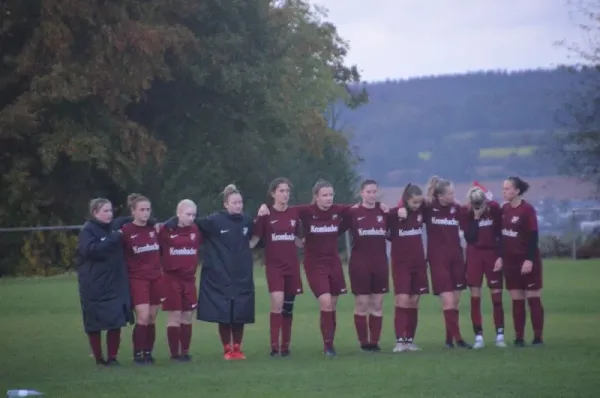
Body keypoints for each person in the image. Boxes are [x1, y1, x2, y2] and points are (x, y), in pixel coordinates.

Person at [258, 179, 389, 357]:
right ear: (316, 197)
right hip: (314, 264)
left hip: (334, 263)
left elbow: (363, 205)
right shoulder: (305, 211)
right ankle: (322, 347)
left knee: (332, 305)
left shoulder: (339, 210)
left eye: (331, 195)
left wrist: (380, 205)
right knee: (325, 302)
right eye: (324, 195)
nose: (329, 198)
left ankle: (330, 344)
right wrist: (264, 208)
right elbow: (282, 211)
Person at [166, 184, 255, 360]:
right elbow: (190, 222)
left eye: (240, 202)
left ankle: (237, 348)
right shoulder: (214, 220)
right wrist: (171, 222)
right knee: (224, 311)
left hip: (242, 274)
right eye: (234, 202)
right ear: (225, 204)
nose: (238, 206)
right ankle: (227, 348)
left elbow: (255, 234)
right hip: (220, 274)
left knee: (240, 311)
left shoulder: (246, 220)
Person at [399, 176, 470, 348]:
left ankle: (448, 340)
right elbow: (409, 201)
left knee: (455, 301)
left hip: (457, 258)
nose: (453, 195)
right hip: (438, 259)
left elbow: (471, 222)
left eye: (453, 192)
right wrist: (399, 209)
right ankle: (459, 339)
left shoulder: (456, 208)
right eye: (450, 193)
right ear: (440, 196)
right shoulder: (428, 207)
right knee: (448, 301)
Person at [250, 178, 304, 357]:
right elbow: (254, 240)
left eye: (287, 191)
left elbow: (298, 241)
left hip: (292, 267)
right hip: (274, 267)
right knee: (277, 303)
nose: (285, 194)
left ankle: (285, 347)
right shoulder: (266, 215)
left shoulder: (294, 214)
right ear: (273, 193)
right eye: (281, 191)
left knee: (288, 307)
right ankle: (274, 347)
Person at [77, 198, 133, 366]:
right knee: (94, 323)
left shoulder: (115, 226)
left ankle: (113, 358)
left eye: (110, 210)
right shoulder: (88, 231)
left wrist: (154, 222)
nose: (110, 214)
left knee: (116, 321)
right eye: (105, 211)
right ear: (95, 213)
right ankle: (99, 359)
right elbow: (91, 251)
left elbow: (135, 217)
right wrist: (113, 238)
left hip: (115, 283)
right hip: (94, 285)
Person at [499, 176, 544, 347]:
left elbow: (533, 236)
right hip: (511, 263)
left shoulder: (527, 210)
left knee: (533, 298)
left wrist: (530, 260)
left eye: (507, 188)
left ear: (517, 191)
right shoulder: (504, 210)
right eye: (503, 189)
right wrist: (501, 257)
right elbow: (501, 238)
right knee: (516, 299)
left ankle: (538, 337)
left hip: (527, 261)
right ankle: (519, 337)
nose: (504, 192)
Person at [345, 179, 389, 352]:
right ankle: (364, 343)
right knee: (362, 303)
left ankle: (375, 342)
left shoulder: (383, 211)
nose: (372, 195)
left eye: (374, 191)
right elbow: (334, 227)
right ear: (361, 193)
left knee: (377, 304)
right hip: (359, 264)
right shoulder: (353, 212)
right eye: (368, 192)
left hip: (380, 263)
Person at [119, 194, 163, 364]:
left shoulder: (155, 229)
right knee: (143, 317)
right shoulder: (126, 231)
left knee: (152, 317)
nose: (146, 213)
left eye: (148, 209)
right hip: (138, 278)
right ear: (133, 211)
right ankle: (137, 353)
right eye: (142, 210)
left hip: (156, 278)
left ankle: (148, 352)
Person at [462, 183, 506, 349]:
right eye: (475, 205)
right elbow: (470, 237)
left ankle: (500, 334)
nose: (478, 207)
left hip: (492, 254)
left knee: (496, 294)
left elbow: (500, 233)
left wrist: (500, 256)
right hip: (474, 254)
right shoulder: (466, 213)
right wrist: (476, 217)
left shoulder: (494, 209)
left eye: (480, 204)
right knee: (475, 295)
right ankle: (478, 335)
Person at [159, 199, 203, 361]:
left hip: (189, 279)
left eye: (193, 214)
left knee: (187, 315)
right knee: (175, 315)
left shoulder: (196, 230)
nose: (191, 217)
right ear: (178, 213)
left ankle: (185, 351)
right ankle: (174, 354)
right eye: (187, 214)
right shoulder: (166, 230)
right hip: (172, 278)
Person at [388, 184, 428, 352]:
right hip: (401, 264)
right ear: (406, 199)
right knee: (402, 300)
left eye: (419, 202)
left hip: (418, 263)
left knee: (415, 300)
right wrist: (396, 210)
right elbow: (383, 215)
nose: (416, 205)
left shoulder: (421, 212)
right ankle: (400, 340)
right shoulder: (397, 214)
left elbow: (433, 200)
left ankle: (410, 340)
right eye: (414, 202)